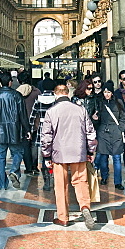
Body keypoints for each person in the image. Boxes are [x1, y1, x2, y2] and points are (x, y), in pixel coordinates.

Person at [40, 82, 97, 229]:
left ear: (55, 94)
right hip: (78, 152)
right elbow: (90, 132)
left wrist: (46, 156)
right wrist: (90, 151)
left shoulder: (51, 112)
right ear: (68, 93)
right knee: (80, 182)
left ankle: (63, 217)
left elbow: (46, 136)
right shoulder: (81, 110)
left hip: (59, 154)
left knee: (61, 185)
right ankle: (85, 207)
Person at [0, 71, 30, 190]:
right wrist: (27, 129)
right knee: (18, 152)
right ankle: (14, 171)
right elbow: (23, 114)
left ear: (0, 82)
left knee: (0, 158)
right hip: (14, 130)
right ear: (10, 82)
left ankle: (2, 184)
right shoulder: (17, 95)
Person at [95, 80, 125, 190]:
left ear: (112, 93)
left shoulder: (118, 103)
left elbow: (123, 117)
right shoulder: (100, 103)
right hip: (103, 131)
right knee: (103, 157)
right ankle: (104, 176)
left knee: (117, 158)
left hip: (115, 132)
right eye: (104, 92)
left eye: (108, 92)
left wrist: (120, 128)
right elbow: (96, 118)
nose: (106, 94)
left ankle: (118, 182)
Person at [30, 81, 58, 191]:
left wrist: (31, 130)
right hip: (54, 130)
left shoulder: (38, 100)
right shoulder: (56, 101)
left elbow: (32, 117)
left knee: (44, 155)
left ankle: (46, 181)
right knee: (55, 155)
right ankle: (55, 177)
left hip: (42, 130)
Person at [17, 73, 40, 174]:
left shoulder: (16, 93)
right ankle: (35, 166)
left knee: (25, 145)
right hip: (35, 121)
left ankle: (28, 167)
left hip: (22, 122)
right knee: (34, 144)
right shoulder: (36, 92)